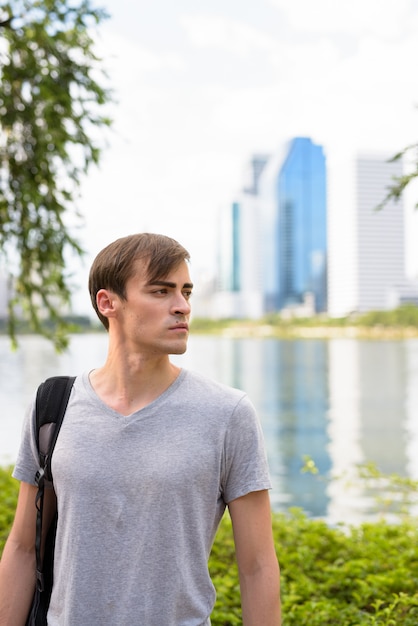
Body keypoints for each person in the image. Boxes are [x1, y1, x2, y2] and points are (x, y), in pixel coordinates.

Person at [0, 233, 281, 625]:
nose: (182, 307)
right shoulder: (53, 406)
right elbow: (22, 548)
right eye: (161, 291)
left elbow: (258, 566)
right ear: (107, 302)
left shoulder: (227, 413)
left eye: (186, 292)